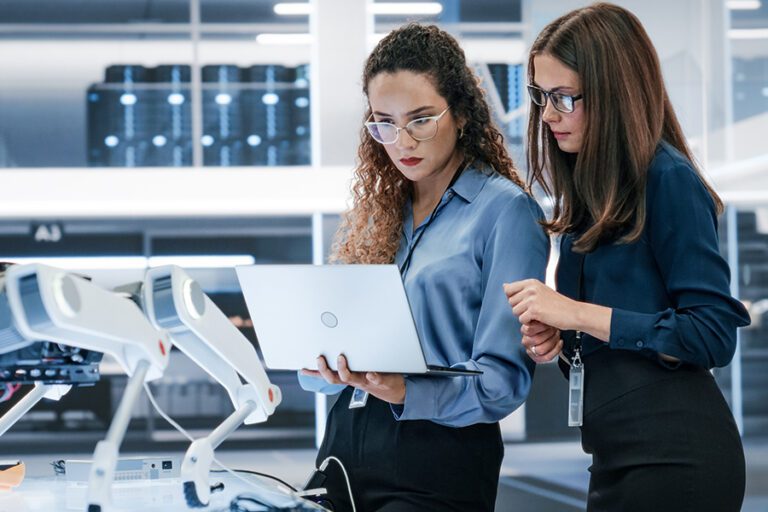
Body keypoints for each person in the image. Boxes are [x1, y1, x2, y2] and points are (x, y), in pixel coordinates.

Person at [504, 4, 752, 512]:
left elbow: (711, 333)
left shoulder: (668, 180)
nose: (547, 114)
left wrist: (575, 313)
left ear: (615, 93)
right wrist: (560, 340)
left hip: (676, 455)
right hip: (613, 453)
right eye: (539, 96)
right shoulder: (592, 196)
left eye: (563, 97)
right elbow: (608, 344)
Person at [298, 23, 551, 512]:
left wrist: (405, 389)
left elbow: (503, 381)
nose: (401, 141)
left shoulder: (505, 212)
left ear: (460, 113)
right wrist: (326, 364)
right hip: (344, 449)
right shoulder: (380, 213)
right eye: (384, 123)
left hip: (438, 461)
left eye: (420, 119)